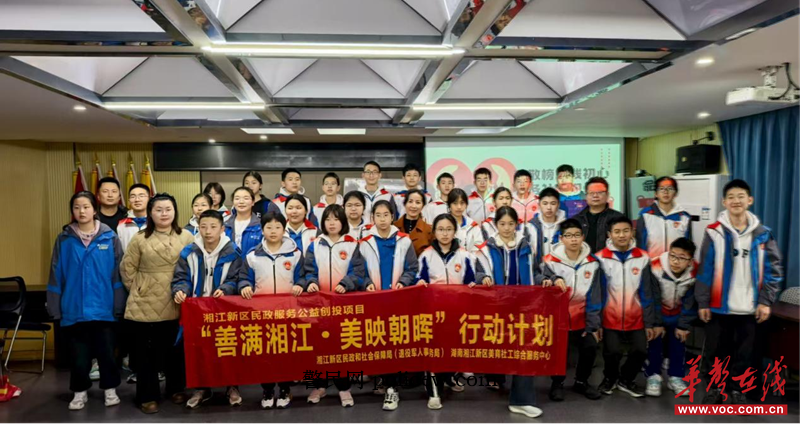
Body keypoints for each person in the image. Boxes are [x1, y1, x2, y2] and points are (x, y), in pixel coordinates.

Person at [696, 179, 782, 405]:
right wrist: (703, 302)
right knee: (716, 351)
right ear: (724, 202)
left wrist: (765, 301)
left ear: (749, 200)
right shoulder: (713, 232)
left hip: (750, 306)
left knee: (745, 353)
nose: (736, 201)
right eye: (731, 197)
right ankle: (715, 389)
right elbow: (705, 269)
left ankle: (738, 390)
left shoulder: (763, 234)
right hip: (719, 305)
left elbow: (773, 270)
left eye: (741, 196)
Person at [47, 191, 124, 411]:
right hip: (74, 307)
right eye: (77, 207)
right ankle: (80, 392)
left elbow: (118, 275)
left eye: (86, 207)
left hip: (104, 307)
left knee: (107, 353)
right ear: (72, 211)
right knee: (78, 356)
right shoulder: (64, 239)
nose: (81, 211)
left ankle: (110, 389)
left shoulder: (109, 237)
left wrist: (119, 305)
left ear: (94, 209)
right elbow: (56, 274)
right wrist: (54, 307)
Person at [120, 193, 194, 414]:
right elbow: (127, 268)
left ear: (175, 212)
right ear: (150, 213)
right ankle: (147, 395)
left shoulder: (186, 236)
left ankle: (176, 388)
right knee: (145, 353)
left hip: (177, 298)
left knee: (175, 349)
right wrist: (140, 288)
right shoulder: (139, 238)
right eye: (158, 210)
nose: (164, 214)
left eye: (168, 209)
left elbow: (194, 266)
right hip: (145, 301)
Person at [473, 206, 547, 419]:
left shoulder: (526, 246)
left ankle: (522, 400)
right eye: (502, 224)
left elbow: (535, 272)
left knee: (525, 350)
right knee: (499, 352)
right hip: (497, 310)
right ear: (496, 225)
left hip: (524, 308)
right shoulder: (485, 249)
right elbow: (477, 273)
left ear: (517, 224)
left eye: (511, 224)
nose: (506, 228)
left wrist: (545, 280)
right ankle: (497, 382)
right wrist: (482, 278)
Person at [172, 209, 243, 409]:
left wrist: (226, 288)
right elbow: (181, 277)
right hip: (197, 311)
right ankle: (201, 388)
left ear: (222, 229)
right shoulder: (189, 252)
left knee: (227, 347)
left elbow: (237, 278)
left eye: (213, 227)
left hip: (223, 310)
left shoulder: (233, 252)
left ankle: (232, 386)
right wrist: (180, 290)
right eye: (203, 227)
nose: (208, 231)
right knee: (199, 351)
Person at [295, 204, 362, 407]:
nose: (332, 223)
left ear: (343, 222)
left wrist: (346, 283)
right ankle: (319, 386)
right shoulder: (315, 244)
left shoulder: (352, 244)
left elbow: (358, 272)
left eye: (336, 219)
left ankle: (344, 388)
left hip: (343, 305)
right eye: (328, 219)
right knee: (317, 346)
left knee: (342, 347)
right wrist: (311, 282)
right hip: (319, 305)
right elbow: (308, 270)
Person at [238, 211, 305, 409]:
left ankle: (285, 389)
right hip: (262, 313)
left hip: (288, 313)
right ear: (262, 230)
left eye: (277, 227)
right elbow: (243, 277)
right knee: (265, 354)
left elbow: (303, 276)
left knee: (286, 353)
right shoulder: (252, 256)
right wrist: (244, 286)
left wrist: (300, 284)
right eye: (269, 227)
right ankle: (267, 389)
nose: (273, 231)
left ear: (284, 230)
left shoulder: (295, 254)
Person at [358, 200, 418, 411]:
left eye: (386, 215)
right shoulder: (365, 242)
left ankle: (392, 388)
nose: (382, 219)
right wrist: (366, 283)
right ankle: (384, 380)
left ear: (392, 217)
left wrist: (404, 281)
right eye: (378, 215)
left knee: (395, 342)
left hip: (398, 300)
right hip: (374, 301)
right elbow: (359, 270)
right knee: (378, 341)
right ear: (372, 217)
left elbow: (412, 268)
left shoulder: (404, 240)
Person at [415, 214, 479, 409]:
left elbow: (470, 280)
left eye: (449, 229)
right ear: (434, 232)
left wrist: (473, 284)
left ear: (455, 232)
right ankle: (433, 392)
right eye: (441, 229)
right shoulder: (426, 255)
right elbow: (420, 279)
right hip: (434, 313)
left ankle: (450, 377)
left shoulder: (465, 255)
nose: (445, 233)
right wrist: (420, 282)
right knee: (434, 351)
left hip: (457, 312)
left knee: (453, 348)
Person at [595, 215, 660, 399]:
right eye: (617, 232)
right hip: (610, 315)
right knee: (612, 352)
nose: (622, 235)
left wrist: (650, 322)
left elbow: (647, 292)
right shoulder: (600, 258)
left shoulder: (643, 257)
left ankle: (626, 379)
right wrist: (597, 321)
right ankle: (610, 378)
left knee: (640, 350)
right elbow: (598, 292)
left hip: (637, 315)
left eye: (625, 231)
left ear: (632, 232)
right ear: (609, 234)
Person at [540, 219, 602, 401]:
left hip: (582, 317)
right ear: (561, 239)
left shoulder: (593, 263)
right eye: (568, 235)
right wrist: (553, 278)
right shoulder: (550, 261)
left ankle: (581, 382)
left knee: (590, 346)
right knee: (560, 352)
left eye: (577, 235)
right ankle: (557, 383)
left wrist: (592, 325)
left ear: (582, 237)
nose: (573, 239)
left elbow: (595, 295)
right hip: (558, 317)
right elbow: (538, 277)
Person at [643, 237, 697, 398]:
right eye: (672, 256)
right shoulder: (655, 267)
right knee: (655, 343)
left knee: (679, 343)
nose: (675, 261)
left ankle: (676, 377)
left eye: (682, 258)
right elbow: (652, 297)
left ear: (690, 261)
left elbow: (690, 302)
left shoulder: (695, 273)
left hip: (678, 314)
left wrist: (683, 325)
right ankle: (653, 376)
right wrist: (656, 323)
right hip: (658, 312)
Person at [636, 176, 692, 258]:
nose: (666, 192)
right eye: (661, 189)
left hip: (676, 264)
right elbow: (640, 245)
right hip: (652, 263)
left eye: (670, 188)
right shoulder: (646, 215)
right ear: (656, 193)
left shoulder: (684, 217)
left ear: (675, 193)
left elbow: (687, 247)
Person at [574, 177, 625, 253]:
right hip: (583, 259)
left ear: (607, 195)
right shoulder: (577, 219)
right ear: (586, 196)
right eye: (591, 193)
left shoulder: (619, 218)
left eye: (600, 192)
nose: (595, 196)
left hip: (610, 259)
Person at [526, 187, 567, 267]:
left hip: (561, 271)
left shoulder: (566, 226)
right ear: (539, 205)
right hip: (537, 272)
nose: (549, 207)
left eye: (553, 203)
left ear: (558, 204)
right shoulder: (530, 227)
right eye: (545, 203)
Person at [224, 186, 263, 256]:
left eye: (246, 198)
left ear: (253, 202)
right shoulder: (225, 226)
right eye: (237, 198)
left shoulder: (261, 226)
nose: (241, 202)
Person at [393, 189, 432, 256]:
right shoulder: (393, 227)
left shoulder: (428, 230)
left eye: (418, 202)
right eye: (410, 201)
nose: (413, 206)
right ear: (405, 204)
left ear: (423, 206)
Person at [118, 183, 151, 251]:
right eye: (133, 196)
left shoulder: (156, 222)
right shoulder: (121, 225)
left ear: (149, 199)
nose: (137, 200)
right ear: (129, 201)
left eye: (141, 196)